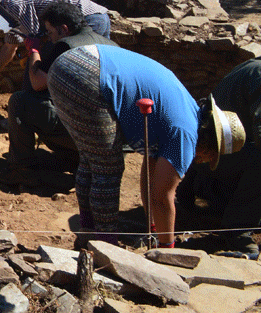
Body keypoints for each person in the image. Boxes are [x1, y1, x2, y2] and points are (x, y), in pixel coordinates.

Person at [48, 45, 244, 247]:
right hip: (89, 75)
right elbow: (162, 197)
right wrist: (167, 248)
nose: (202, 160)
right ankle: (105, 246)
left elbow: (150, 180)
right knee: (107, 168)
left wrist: (153, 229)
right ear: (210, 144)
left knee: (92, 161)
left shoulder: (185, 114)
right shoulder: (186, 135)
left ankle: (89, 232)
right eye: (210, 156)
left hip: (68, 64)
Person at [6, 2, 118, 184]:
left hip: (83, 131)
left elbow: (37, 83)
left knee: (20, 101)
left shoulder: (65, 46)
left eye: (50, 32)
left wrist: (34, 50)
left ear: (64, 29)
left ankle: (23, 170)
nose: (49, 38)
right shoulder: (111, 44)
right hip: (114, 138)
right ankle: (75, 158)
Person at [177, 59, 261, 257]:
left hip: (211, 156)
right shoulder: (259, 75)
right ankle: (237, 230)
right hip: (213, 154)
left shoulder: (253, 66)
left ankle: (203, 191)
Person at [0, 0, 110, 89]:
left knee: (46, 67)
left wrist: (30, 59)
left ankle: (28, 111)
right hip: (93, 19)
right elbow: (9, 48)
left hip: (90, 20)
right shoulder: (9, 14)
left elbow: (35, 43)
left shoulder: (14, 5)